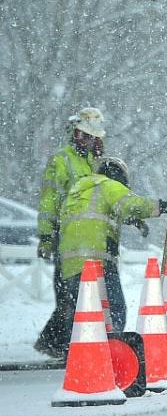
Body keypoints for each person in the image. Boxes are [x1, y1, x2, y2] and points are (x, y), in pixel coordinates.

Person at [44, 156, 167, 357]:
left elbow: (98, 215)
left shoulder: (78, 190)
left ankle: (80, 354)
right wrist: (163, 206)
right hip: (97, 260)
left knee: (81, 311)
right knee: (113, 308)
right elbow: (130, 204)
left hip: (70, 262)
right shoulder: (108, 185)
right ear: (118, 175)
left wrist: (135, 221)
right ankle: (109, 355)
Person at [34, 107, 107, 358]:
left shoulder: (92, 162)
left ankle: (55, 342)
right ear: (75, 133)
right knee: (69, 292)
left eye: (92, 137)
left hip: (87, 237)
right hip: (65, 236)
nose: (88, 140)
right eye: (84, 135)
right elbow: (49, 200)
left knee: (77, 292)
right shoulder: (62, 160)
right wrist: (46, 236)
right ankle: (63, 344)